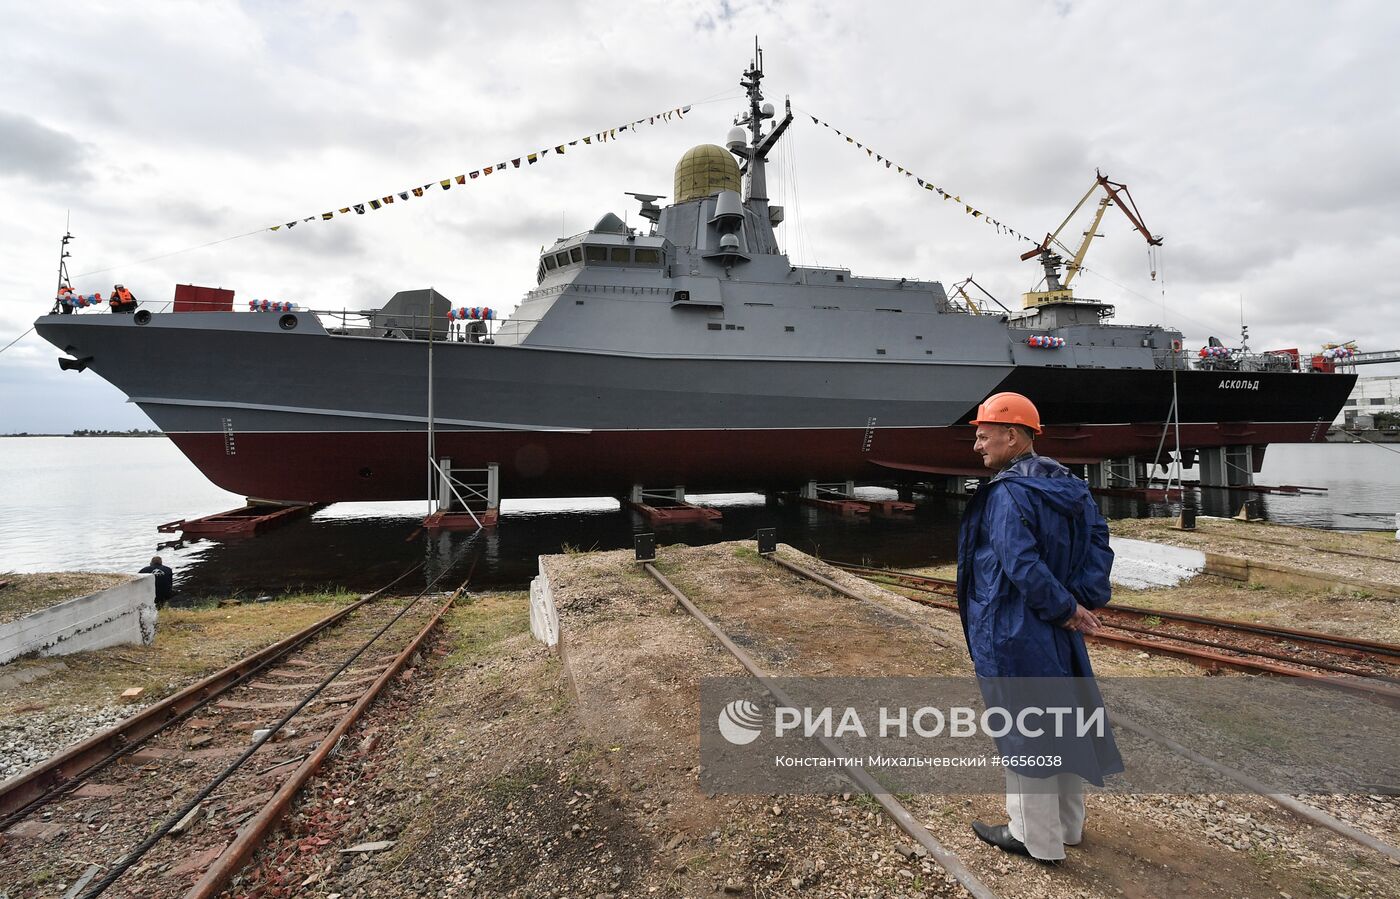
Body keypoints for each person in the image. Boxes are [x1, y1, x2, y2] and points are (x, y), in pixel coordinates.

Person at [955, 391, 1121, 863]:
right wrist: (1081, 600)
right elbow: (1098, 541)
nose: (977, 446)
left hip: (1012, 628)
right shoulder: (1069, 484)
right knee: (1062, 724)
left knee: (1023, 731)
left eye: (984, 436)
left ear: (1012, 435)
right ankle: (1067, 827)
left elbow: (1019, 563)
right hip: (1054, 630)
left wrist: (1065, 607)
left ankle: (1033, 837)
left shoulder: (1008, 493)